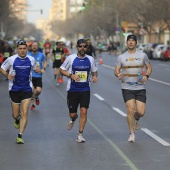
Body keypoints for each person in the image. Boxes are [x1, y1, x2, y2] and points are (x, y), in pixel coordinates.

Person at [0, 40, 40, 144]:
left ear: (27, 49)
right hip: (14, 89)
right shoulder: (11, 59)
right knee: (15, 114)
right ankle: (17, 119)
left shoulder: (31, 59)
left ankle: (20, 135)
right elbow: (2, 68)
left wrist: (38, 70)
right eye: (20, 49)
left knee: (25, 112)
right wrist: (7, 75)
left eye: (24, 48)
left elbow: (36, 68)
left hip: (27, 89)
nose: (22, 50)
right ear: (17, 49)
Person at [114, 34, 152, 142]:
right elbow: (116, 70)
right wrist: (118, 74)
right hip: (127, 87)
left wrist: (147, 76)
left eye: (132, 40)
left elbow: (149, 67)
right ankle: (131, 134)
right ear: (126, 43)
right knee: (130, 109)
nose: (130, 42)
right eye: (129, 41)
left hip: (140, 87)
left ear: (136, 43)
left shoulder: (143, 55)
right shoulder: (121, 57)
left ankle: (137, 117)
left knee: (141, 112)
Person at [60, 39, 98, 143]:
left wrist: (95, 77)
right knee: (73, 114)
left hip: (85, 89)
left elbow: (94, 71)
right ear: (77, 47)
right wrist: (70, 75)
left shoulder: (90, 59)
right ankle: (73, 119)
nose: (82, 48)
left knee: (84, 111)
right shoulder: (71, 58)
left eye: (84, 46)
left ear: (87, 48)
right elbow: (61, 69)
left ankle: (80, 134)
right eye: (80, 46)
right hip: (72, 89)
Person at [28, 41, 47, 111]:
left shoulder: (41, 55)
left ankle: (36, 97)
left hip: (38, 76)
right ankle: (33, 104)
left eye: (36, 45)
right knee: (32, 90)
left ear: (38, 47)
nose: (34, 47)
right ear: (31, 46)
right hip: (30, 76)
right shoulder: (28, 55)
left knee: (38, 90)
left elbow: (45, 62)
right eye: (33, 45)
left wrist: (43, 68)